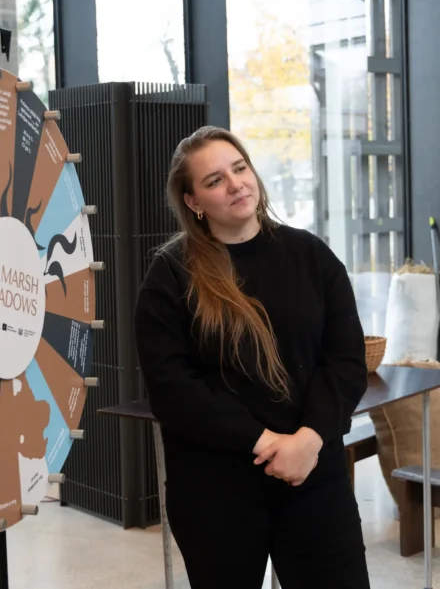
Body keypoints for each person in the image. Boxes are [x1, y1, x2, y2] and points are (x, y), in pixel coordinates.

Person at [133, 126, 371, 589]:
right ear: (193, 202)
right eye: (215, 180)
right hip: (215, 491)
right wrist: (264, 442)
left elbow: (345, 361)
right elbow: (172, 388)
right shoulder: (171, 274)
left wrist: (308, 440)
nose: (236, 184)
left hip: (312, 474)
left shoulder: (311, 256)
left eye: (239, 168)